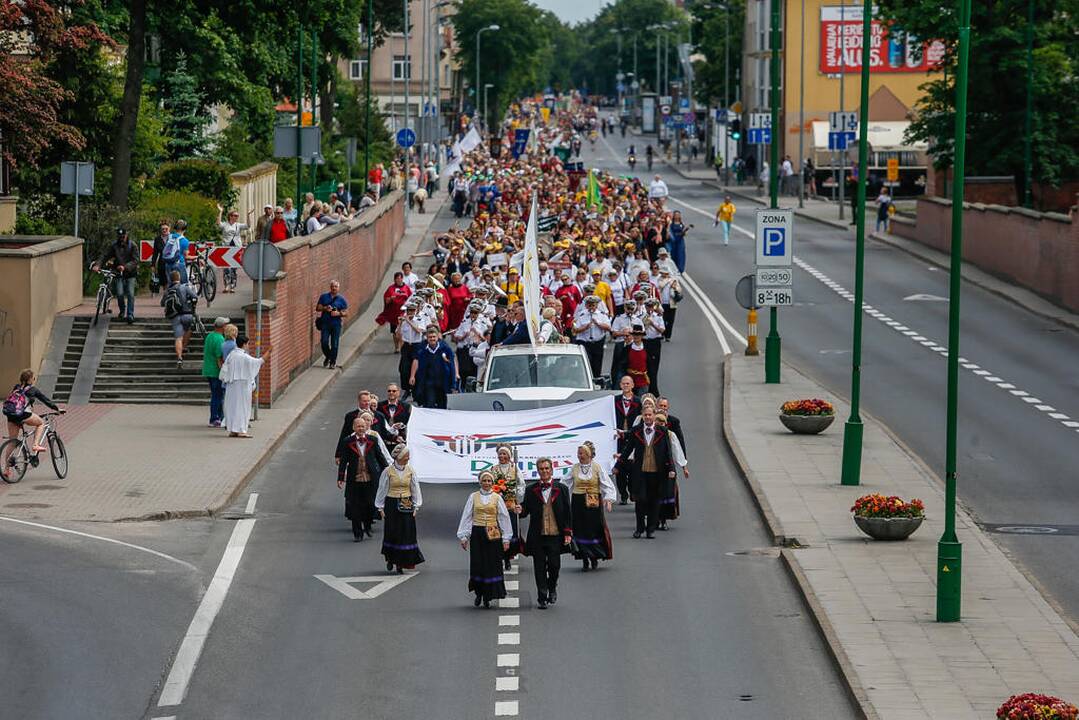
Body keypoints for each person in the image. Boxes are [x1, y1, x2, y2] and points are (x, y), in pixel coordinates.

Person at [518, 457, 573, 609]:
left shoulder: (561, 489)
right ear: (538, 471)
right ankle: (542, 596)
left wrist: (568, 532)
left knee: (555, 565)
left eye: (547, 468)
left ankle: (552, 587)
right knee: (539, 567)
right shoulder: (531, 490)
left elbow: (568, 512)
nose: (544, 471)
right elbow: (525, 510)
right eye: (541, 469)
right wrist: (519, 509)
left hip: (556, 535)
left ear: (551, 470)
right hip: (537, 536)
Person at [457, 470, 513, 608]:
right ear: (480, 482)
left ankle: (489, 595)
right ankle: (479, 593)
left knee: (492, 564)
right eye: (484, 481)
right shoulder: (473, 497)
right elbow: (467, 516)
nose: (487, 483)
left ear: (492, 483)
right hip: (478, 532)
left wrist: (506, 538)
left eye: (489, 481)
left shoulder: (497, 498)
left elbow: (503, 517)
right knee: (478, 563)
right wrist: (464, 536)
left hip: (493, 533)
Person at [623, 404, 676, 539]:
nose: (647, 417)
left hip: (657, 472)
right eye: (645, 415)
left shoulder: (662, 431)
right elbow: (628, 450)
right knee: (640, 501)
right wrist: (618, 465)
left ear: (653, 416)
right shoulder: (636, 431)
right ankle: (639, 528)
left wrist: (671, 469)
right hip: (640, 472)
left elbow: (667, 452)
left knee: (654, 501)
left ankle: (651, 529)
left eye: (650, 415)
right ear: (642, 416)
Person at [374, 445, 425, 573]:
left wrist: (416, 505)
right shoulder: (388, 471)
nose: (408, 458)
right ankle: (391, 558)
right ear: (400, 457)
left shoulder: (410, 470)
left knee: (406, 532)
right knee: (393, 532)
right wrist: (380, 507)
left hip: (406, 503)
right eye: (406, 456)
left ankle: (402, 562)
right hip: (392, 503)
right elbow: (382, 489)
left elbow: (415, 488)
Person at [566, 442, 616, 571]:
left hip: (593, 502)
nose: (579, 456)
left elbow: (607, 484)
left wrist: (608, 499)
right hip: (578, 502)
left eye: (581, 453)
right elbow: (565, 483)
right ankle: (584, 558)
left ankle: (594, 557)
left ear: (588, 454)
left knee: (594, 528)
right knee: (580, 529)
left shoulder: (597, 468)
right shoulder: (575, 468)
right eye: (578, 453)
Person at [3, 369, 62, 477]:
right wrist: (57, 408)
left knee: (12, 442)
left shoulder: (16, 388)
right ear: (30, 379)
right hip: (24, 415)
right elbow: (46, 400)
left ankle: (6, 469)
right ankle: (35, 445)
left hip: (11, 416)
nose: (34, 380)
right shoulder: (33, 390)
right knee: (40, 423)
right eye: (33, 378)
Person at [338, 414, 388, 541]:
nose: (361, 428)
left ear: (366, 427)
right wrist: (340, 477)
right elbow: (343, 461)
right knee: (355, 506)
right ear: (354, 427)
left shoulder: (372, 439)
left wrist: (388, 470)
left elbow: (380, 457)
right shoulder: (347, 442)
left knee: (370, 504)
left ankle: (367, 525)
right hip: (354, 478)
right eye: (358, 426)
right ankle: (357, 533)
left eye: (363, 426)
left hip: (370, 478)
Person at [219, 335, 264, 438]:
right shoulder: (243, 356)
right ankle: (241, 430)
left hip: (231, 384)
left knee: (232, 406)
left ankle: (233, 429)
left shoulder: (232, 354)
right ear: (244, 344)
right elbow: (257, 362)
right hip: (242, 385)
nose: (248, 346)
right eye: (248, 344)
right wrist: (268, 353)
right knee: (243, 407)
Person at [92, 227, 140, 323]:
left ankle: (130, 314)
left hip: (130, 273)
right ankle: (122, 311)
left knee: (130, 294)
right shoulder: (114, 246)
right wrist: (97, 265)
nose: (122, 238)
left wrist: (125, 267)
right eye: (120, 237)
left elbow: (135, 260)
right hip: (118, 273)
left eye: (123, 236)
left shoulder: (133, 245)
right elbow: (105, 256)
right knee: (120, 293)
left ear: (126, 235)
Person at [491, 444, 525, 570]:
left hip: (510, 504)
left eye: (504, 454)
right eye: (500, 454)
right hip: (496, 505)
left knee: (509, 531)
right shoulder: (494, 469)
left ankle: (508, 558)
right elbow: (489, 483)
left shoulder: (514, 469)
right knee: (498, 531)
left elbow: (521, 485)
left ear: (509, 455)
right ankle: (499, 557)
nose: (502, 456)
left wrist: (515, 492)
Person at [409, 326, 457, 409]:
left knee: (442, 406)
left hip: (443, 383)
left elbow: (452, 366)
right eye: (430, 337)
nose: (432, 339)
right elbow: (419, 366)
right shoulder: (422, 352)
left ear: (438, 337)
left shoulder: (446, 349)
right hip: (429, 383)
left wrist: (453, 384)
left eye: (434, 337)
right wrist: (413, 377)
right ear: (427, 338)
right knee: (429, 405)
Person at [161, 270, 197, 369]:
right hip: (187, 314)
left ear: (170, 279)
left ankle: (180, 358)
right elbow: (195, 297)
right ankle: (184, 347)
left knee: (178, 338)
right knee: (189, 329)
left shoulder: (168, 290)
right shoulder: (184, 287)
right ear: (179, 278)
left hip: (175, 316)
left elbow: (162, 303)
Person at [613, 376, 641, 503]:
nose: (626, 386)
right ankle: (623, 494)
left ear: (633, 385)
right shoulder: (614, 401)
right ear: (620, 385)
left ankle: (632, 490)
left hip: (633, 437)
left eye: (628, 383)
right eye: (623, 383)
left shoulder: (638, 402)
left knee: (633, 466)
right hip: (618, 438)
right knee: (619, 466)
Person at [572, 295, 610, 378]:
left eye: (593, 305)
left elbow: (609, 328)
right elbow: (575, 330)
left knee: (597, 363)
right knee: (587, 361)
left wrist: (598, 323)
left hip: (598, 342)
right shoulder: (581, 315)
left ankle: (596, 380)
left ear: (596, 305)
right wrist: (585, 327)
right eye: (589, 305)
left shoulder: (602, 315)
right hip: (585, 342)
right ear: (586, 305)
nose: (591, 307)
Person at [376, 272, 413, 352]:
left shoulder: (406, 288)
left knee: (402, 331)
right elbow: (386, 300)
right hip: (393, 314)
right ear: (394, 279)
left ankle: (401, 346)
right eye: (397, 279)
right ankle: (396, 346)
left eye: (400, 278)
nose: (398, 280)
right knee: (394, 331)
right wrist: (391, 299)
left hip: (403, 313)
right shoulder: (391, 288)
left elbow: (411, 299)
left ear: (402, 279)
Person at [316, 280, 348, 369]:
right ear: (330, 287)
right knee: (324, 342)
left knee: (334, 344)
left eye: (336, 287)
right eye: (333, 286)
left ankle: (332, 362)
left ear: (338, 288)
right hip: (325, 323)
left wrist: (338, 313)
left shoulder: (342, 300)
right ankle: (329, 356)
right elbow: (318, 308)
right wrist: (325, 308)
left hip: (336, 324)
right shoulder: (324, 297)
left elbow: (346, 313)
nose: (334, 288)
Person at [202, 317, 227, 428]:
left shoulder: (210, 336)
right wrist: (223, 372)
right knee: (218, 396)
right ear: (223, 327)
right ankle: (215, 418)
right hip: (216, 371)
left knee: (216, 394)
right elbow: (219, 358)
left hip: (208, 369)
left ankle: (220, 417)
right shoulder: (220, 339)